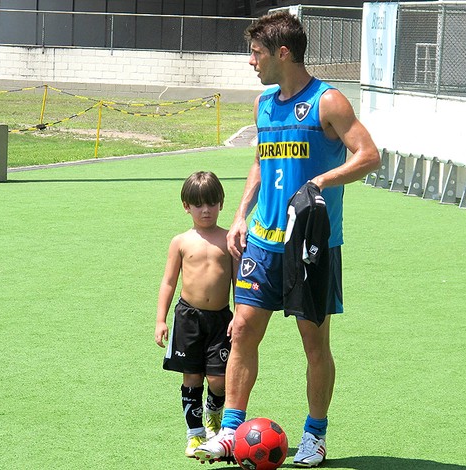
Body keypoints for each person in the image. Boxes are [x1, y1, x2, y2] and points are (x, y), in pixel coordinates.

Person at [194, 11, 380, 468]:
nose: (250, 61)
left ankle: (314, 436)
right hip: (262, 242)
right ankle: (232, 432)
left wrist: (320, 181)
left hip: (311, 247)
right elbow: (261, 160)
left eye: (256, 52)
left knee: (314, 344)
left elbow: (370, 156)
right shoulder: (264, 105)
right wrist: (240, 214)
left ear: (282, 53)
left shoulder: (328, 101)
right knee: (241, 333)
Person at [154, 171, 236, 459]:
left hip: (221, 320)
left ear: (221, 203)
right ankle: (194, 435)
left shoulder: (229, 239)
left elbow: (239, 282)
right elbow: (168, 282)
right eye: (199, 204)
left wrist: (239, 315)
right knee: (192, 377)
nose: (206, 210)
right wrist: (161, 319)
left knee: (217, 379)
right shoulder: (180, 242)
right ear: (186, 206)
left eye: (212, 203)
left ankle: (215, 417)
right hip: (188, 318)